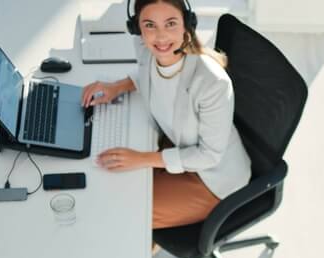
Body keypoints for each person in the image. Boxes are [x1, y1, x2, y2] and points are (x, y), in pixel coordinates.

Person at [80, 0, 252, 229]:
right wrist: (118, 87)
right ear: (137, 29)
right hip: (177, 146)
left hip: (213, 177)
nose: (160, 37)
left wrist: (141, 158)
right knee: (108, 184)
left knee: (125, 212)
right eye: (149, 25)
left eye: (170, 23)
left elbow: (209, 156)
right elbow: (147, 72)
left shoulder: (212, 83)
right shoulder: (146, 50)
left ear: (186, 25)